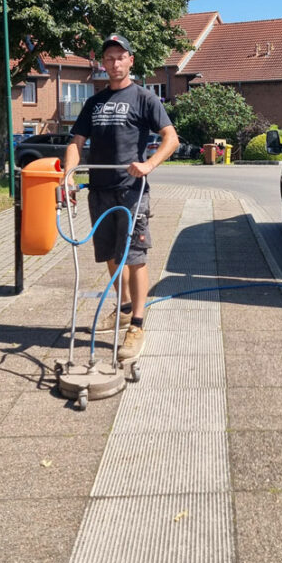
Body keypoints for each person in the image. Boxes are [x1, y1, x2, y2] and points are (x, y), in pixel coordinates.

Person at [64, 33, 179, 363]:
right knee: (110, 256)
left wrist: (149, 164)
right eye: (109, 58)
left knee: (135, 256)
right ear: (103, 63)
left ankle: (137, 325)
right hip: (99, 190)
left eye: (120, 57)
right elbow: (76, 143)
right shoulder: (94, 103)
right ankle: (125, 308)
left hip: (131, 191)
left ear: (130, 60)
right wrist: (68, 175)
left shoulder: (144, 98)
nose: (114, 63)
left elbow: (170, 138)